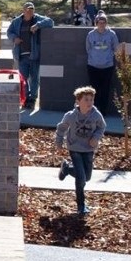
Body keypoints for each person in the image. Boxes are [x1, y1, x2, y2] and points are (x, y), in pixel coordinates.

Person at [53, 85, 105, 216]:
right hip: (74, 147)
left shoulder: (96, 115)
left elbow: (102, 127)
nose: (89, 103)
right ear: (78, 101)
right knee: (81, 178)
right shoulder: (70, 116)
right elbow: (61, 129)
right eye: (86, 100)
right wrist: (59, 143)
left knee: (87, 177)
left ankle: (67, 168)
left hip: (89, 149)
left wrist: (96, 137)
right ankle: (81, 205)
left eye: (91, 100)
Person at [7, 1, 53, 109]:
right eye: (27, 10)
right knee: (23, 78)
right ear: (23, 11)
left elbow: (50, 22)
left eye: (32, 10)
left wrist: (38, 25)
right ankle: (25, 98)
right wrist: (14, 38)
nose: (29, 12)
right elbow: (9, 32)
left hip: (34, 54)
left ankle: (33, 98)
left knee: (34, 78)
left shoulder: (37, 19)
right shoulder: (17, 21)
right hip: (21, 55)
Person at [84, 12, 120, 116]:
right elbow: (88, 49)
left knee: (105, 90)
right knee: (93, 90)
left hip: (107, 67)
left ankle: (103, 112)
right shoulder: (90, 34)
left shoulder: (111, 34)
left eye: (104, 22)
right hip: (93, 66)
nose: (102, 24)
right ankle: (93, 110)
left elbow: (116, 48)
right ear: (96, 23)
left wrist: (107, 58)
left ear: (106, 23)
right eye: (100, 22)